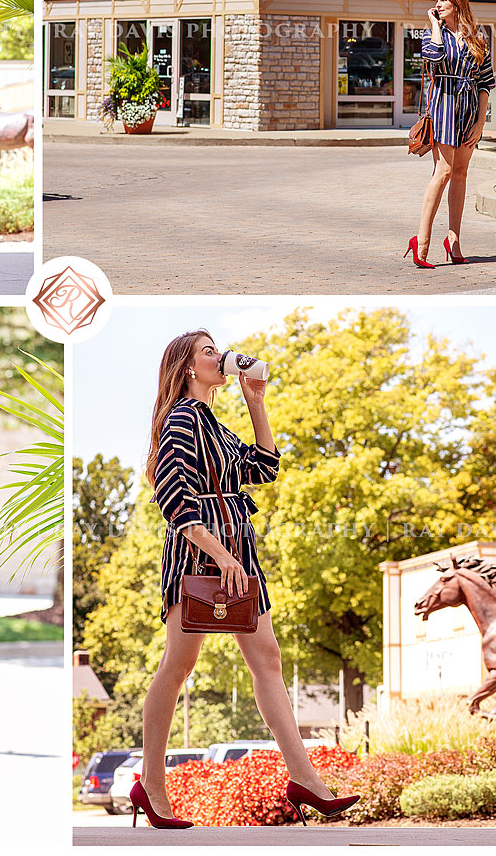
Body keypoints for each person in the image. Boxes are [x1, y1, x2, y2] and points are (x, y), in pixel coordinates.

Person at [135, 331, 359, 829]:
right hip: (201, 553)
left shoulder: (214, 423)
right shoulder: (180, 422)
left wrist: (256, 403)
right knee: (179, 664)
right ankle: (151, 783)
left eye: (219, 349)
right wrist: (220, 556)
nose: (221, 356)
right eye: (209, 351)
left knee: (268, 658)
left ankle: (303, 777)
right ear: (188, 368)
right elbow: (173, 501)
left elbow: (263, 467)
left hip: (239, 551)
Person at [406, 0, 495, 268]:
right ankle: (422, 240)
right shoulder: (433, 35)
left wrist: (480, 123)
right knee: (443, 171)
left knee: (461, 173)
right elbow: (433, 58)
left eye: (444, 0)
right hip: (443, 108)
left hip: (469, 112)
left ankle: (454, 241)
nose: (439, 4)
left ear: (457, 4)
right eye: (437, 1)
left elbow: (485, 84)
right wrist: (434, 25)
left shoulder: (477, 39)